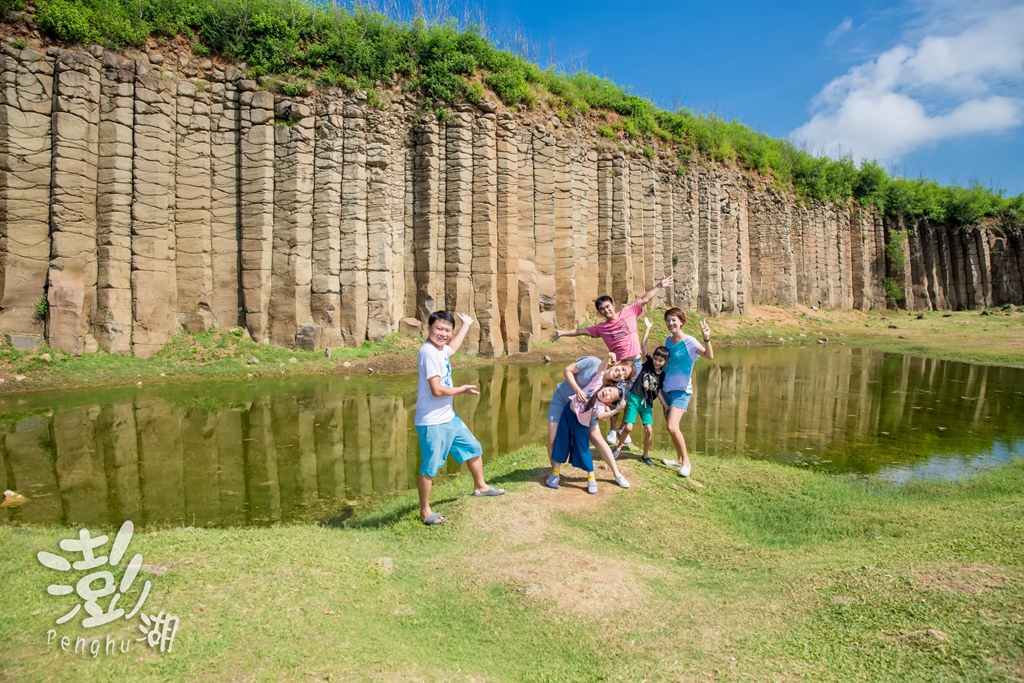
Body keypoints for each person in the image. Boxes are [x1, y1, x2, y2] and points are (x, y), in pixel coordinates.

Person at [550, 276, 674, 445]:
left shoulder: (629, 312)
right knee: (614, 397)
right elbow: (581, 331)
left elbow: (645, 298)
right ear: (600, 312)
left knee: (631, 397)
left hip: (636, 364)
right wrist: (563, 333)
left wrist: (659, 285)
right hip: (619, 367)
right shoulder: (601, 328)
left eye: (607, 306)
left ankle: (622, 429)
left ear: (613, 305)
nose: (606, 310)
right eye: (602, 309)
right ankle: (612, 429)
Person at [415, 311, 505, 526]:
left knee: (473, 447)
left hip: (448, 417)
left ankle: (480, 486)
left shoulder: (440, 350)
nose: (443, 334)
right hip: (432, 421)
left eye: (447, 330)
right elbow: (436, 390)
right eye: (439, 329)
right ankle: (425, 511)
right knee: (430, 468)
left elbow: (452, 349)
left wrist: (466, 325)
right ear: (429, 328)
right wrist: (461, 390)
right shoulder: (428, 353)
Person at [546, 355, 635, 488]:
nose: (620, 373)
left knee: (597, 439)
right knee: (552, 439)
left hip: (586, 411)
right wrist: (577, 390)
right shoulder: (594, 363)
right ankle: (555, 474)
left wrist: (606, 408)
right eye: (622, 369)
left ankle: (617, 474)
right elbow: (567, 370)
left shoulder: (610, 386)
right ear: (617, 363)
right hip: (563, 402)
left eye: (624, 375)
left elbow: (607, 399)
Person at [659, 308, 713, 477]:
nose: (670, 323)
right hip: (666, 389)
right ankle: (679, 459)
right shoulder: (668, 340)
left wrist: (706, 338)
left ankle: (687, 462)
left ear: (681, 322)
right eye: (668, 320)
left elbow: (708, 356)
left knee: (672, 426)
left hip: (681, 392)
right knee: (671, 428)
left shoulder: (689, 341)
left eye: (674, 320)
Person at [611, 317, 669, 466]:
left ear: (665, 362)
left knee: (649, 430)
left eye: (660, 360)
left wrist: (665, 405)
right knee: (628, 427)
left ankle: (645, 455)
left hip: (647, 405)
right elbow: (643, 345)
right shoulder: (648, 365)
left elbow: (659, 391)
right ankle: (618, 448)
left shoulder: (662, 375)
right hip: (635, 399)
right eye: (656, 358)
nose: (657, 362)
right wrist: (648, 328)